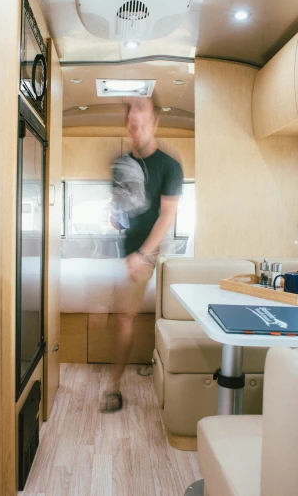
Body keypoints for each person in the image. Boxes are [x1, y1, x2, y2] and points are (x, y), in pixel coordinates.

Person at [101, 97, 184, 413]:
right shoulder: (120, 166)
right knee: (126, 312)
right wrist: (115, 215)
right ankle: (152, 362)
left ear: (155, 122)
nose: (134, 121)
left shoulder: (169, 166)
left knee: (123, 314)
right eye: (130, 117)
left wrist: (142, 255)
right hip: (128, 251)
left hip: (152, 250)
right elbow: (120, 209)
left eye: (141, 113)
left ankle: (113, 387)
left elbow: (166, 217)